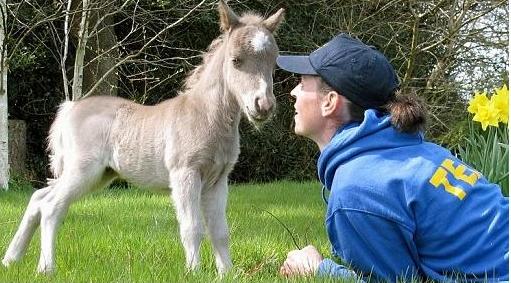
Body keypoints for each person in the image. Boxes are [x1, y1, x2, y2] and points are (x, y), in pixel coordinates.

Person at [276, 33, 509, 282]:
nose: (293, 92)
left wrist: (318, 269)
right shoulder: (426, 152)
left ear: (330, 102)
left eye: (302, 83)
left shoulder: (357, 189)